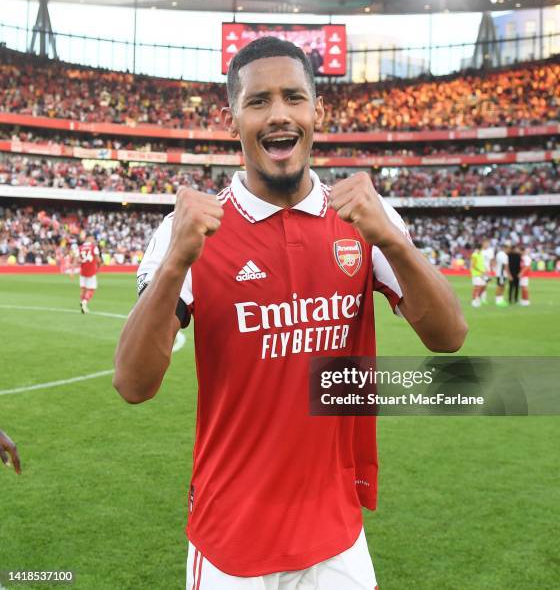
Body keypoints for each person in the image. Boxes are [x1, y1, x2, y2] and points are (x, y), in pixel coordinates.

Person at [113, 37, 467, 589]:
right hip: (231, 541)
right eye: (258, 102)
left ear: (315, 113)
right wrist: (175, 264)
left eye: (293, 97)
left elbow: (450, 336)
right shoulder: (189, 230)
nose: (279, 114)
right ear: (232, 120)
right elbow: (133, 383)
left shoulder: (361, 218)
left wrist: (393, 243)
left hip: (337, 537)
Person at [77, 233, 101, 313]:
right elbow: (98, 259)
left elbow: (78, 259)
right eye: (93, 238)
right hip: (91, 270)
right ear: (89, 238)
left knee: (83, 288)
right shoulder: (93, 247)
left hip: (83, 270)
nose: (93, 240)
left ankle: (82, 302)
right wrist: (99, 265)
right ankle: (84, 302)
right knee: (91, 288)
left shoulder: (80, 248)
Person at [470, 243, 485, 308]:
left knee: (482, 286)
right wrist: (480, 271)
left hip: (481, 273)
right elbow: (473, 265)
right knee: (477, 287)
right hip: (476, 274)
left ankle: (477, 299)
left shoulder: (480, 254)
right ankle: (474, 301)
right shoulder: (474, 255)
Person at [480, 239, 495, 305]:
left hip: (487, 270)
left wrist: (491, 270)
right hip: (480, 270)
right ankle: (479, 297)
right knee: (480, 284)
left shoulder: (490, 251)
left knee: (485, 284)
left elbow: (491, 260)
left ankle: (483, 298)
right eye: (485, 243)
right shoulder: (480, 251)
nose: (487, 245)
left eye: (488, 244)